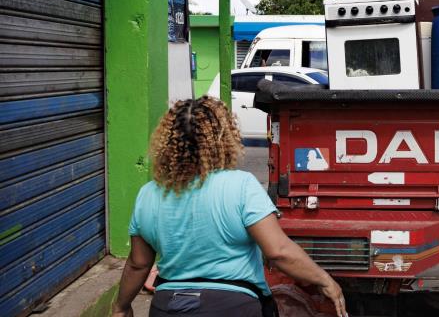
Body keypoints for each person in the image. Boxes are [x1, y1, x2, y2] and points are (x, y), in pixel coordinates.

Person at [111, 96, 347, 317]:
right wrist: (325, 280)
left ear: (169, 145)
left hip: (169, 305)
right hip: (233, 305)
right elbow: (278, 251)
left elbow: (138, 263)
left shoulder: (149, 194)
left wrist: (121, 307)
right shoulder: (241, 185)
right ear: (223, 140)